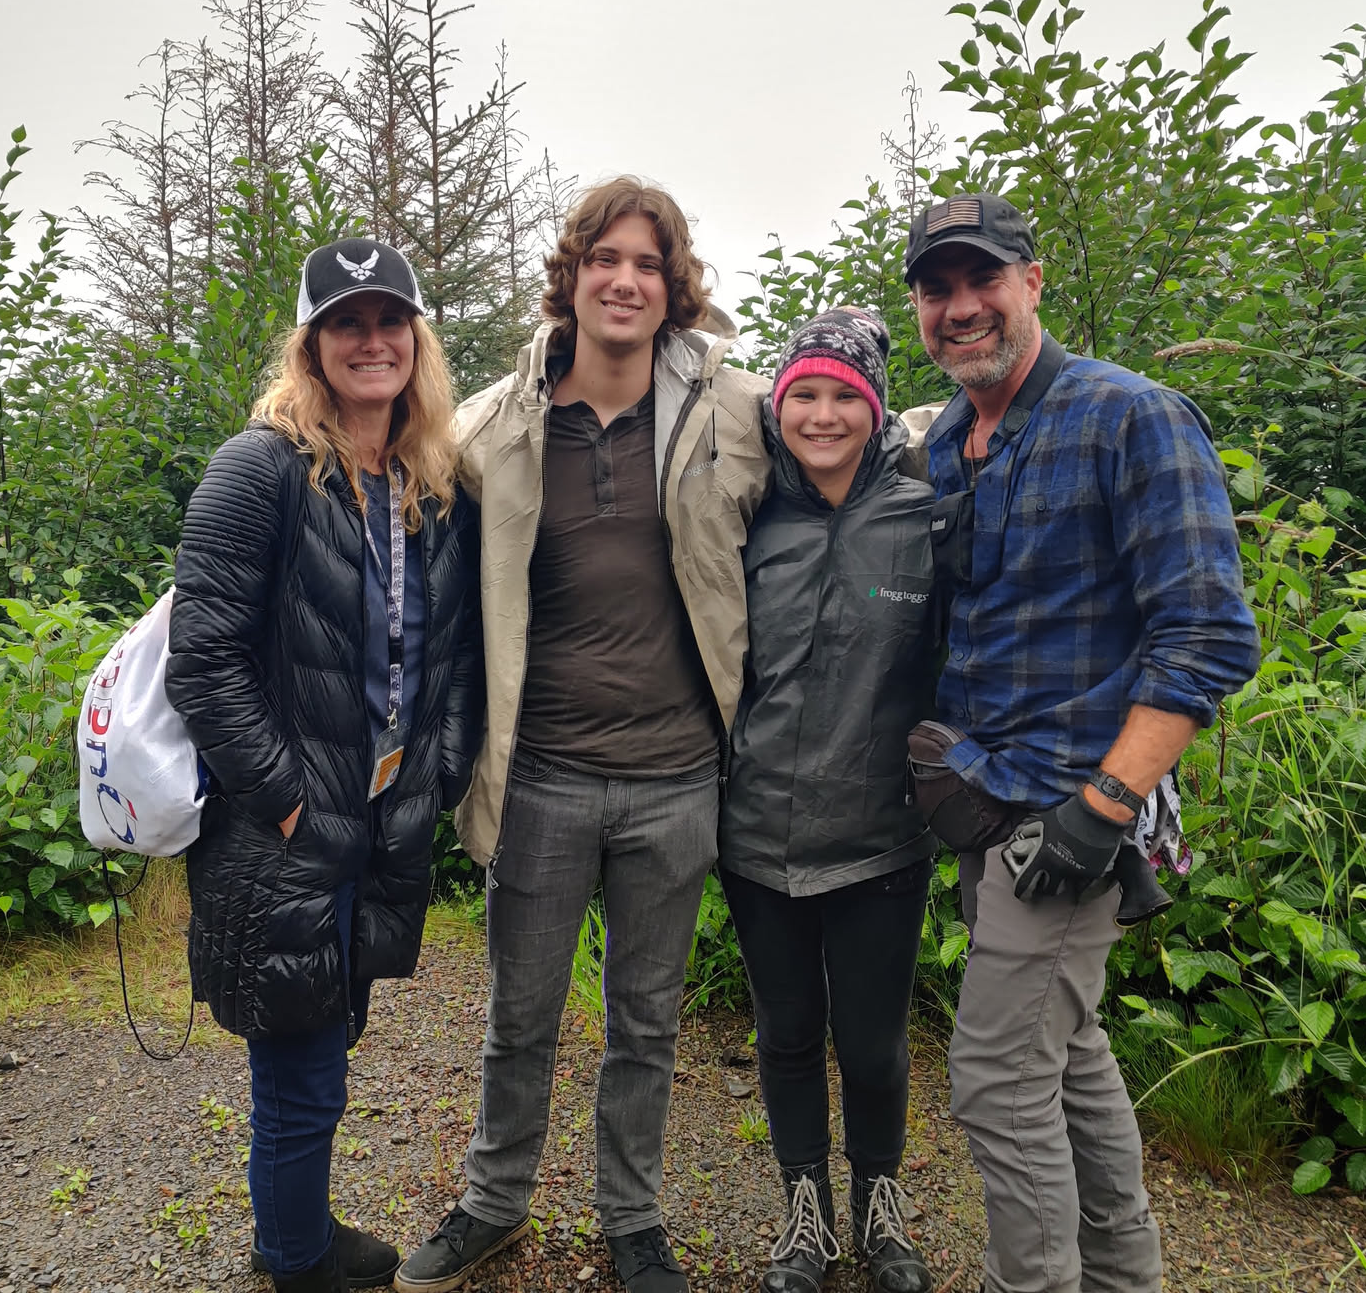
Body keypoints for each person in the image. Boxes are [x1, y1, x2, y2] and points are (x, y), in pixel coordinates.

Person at [395, 178, 770, 1293]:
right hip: (542, 777)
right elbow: (379, 486)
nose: (625, 281)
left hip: (678, 778)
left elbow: (851, 427)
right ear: (573, 275)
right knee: (520, 1016)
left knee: (646, 1023)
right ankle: (493, 1202)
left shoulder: (732, 413)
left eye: (649, 264)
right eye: (606, 258)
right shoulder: (493, 429)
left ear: (674, 287)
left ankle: (633, 1218)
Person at [901, 194, 1260, 1293]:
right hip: (987, 796)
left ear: (1033, 281)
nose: (962, 307)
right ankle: (1124, 1277)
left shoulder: (1131, 417)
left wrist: (1105, 807)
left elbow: (1207, 637)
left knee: (997, 1079)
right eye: (937, 289)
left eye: (983, 279)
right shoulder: (948, 443)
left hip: (1071, 811)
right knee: (1066, 1057)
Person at [166, 236, 483, 1293]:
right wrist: (289, 802)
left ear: (417, 341)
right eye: (347, 322)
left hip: (384, 816)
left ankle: (293, 1234)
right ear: (311, 346)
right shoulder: (259, 468)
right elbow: (204, 660)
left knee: (325, 1033)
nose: (372, 340)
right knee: (298, 1070)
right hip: (288, 828)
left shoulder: (434, 481)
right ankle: (297, 1260)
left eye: (391, 320)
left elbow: (456, 654)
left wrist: (437, 776)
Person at [720, 308, 939, 1293]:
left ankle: (879, 1207)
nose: (820, 415)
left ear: (875, 407)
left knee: (874, 1042)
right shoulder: (750, 514)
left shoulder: (925, 511)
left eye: (842, 397)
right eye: (801, 395)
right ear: (777, 406)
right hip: (757, 829)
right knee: (787, 1033)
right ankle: (803, 1213)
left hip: (882, 833)